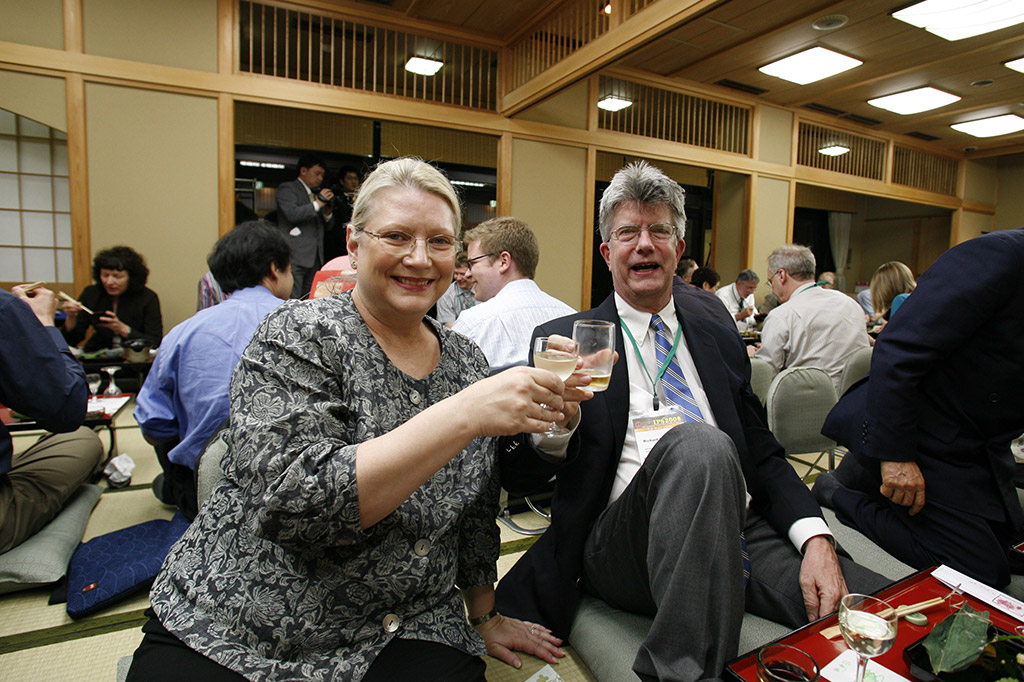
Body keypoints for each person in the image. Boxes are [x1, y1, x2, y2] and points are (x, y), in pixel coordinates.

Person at [127, 158, 566, 682]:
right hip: (247, 616)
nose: (419, 258)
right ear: (354, 247)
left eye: (440, 242)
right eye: (397, 236)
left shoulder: (466, 360)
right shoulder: (296, 333)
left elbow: (473, 510)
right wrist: (464, 414)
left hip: (405, 620)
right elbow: (295, 505)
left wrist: (484, 616)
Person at [494, 161, 886, 682]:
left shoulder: (715, 331)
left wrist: (815, 539)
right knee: (699, 445)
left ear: (678, 249)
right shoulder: (569, 339)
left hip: (738, 524)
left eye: (660, 231)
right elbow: (522, 477)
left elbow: (761, 449)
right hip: (623, 540)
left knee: (879, 611)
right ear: (607, 253)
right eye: (628, 233)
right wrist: (556, 425)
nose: (645, 244)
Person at [816, 228, 1024, 590]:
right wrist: (895, 455)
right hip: (918, 431)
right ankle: (837, 492)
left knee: (1011, 544)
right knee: (982, 571)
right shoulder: (1000, 256)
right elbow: (897, 349)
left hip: (977, 441)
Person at [134, 221, 294, 519]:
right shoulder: (305, 322)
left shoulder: (182, 333)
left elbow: (153, 426)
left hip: (202, 493)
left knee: (171, 443)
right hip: (293, 490)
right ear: (275, 269)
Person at [1, 284, 104, 554]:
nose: (111, 280)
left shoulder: (144, 299)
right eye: (106, 274)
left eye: (118, 274)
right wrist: (44, 322)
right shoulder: (4, 307)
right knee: (82, 438)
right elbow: (67, 410)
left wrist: (124, 328)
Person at [452, 217, 575, 371]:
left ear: (503, 262)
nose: (468, 274)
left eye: (472, 264)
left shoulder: (473, 324)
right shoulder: (571, 317)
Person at [755, 245, 870, 393]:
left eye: (771, 282)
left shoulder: (782, 315)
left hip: (806, 401)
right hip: (856, 397)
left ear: (781, 275)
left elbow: (765, 377)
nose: (772, 289)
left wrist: (754, 360)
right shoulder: (850, 304)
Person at [61, 246, 163, 352]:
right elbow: (71, 341)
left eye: (117, 276)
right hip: (97, 355)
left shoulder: (148, 298)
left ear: (131, 277)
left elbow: (154, 342)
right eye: (105, 275)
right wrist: (71, 317)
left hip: (133, 357)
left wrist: (122, 328)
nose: (109, 282)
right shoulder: (91, 293)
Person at [275, 153, 336, 298]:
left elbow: (326, 227)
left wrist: (327, 213)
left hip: (315, 256)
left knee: (310, 298)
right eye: (317, 173)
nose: (320, 178)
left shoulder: (315, 194)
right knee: (293, 297)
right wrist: (318, 203)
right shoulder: (288, 188)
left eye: (322, 175)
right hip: (295, 255)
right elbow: (292, 214)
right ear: (303, 171)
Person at [325, 165, 361, 261]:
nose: (353, 182)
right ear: (342, 181)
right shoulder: (336, 199)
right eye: (349, 178)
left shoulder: (362, 199)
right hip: (338, 245)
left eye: (355, 178)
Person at [436, 251, 477, 326]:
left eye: (462, 274)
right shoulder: (446, 295)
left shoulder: (484, 290)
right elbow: (449, 326)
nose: (458, 278)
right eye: (456, 273)